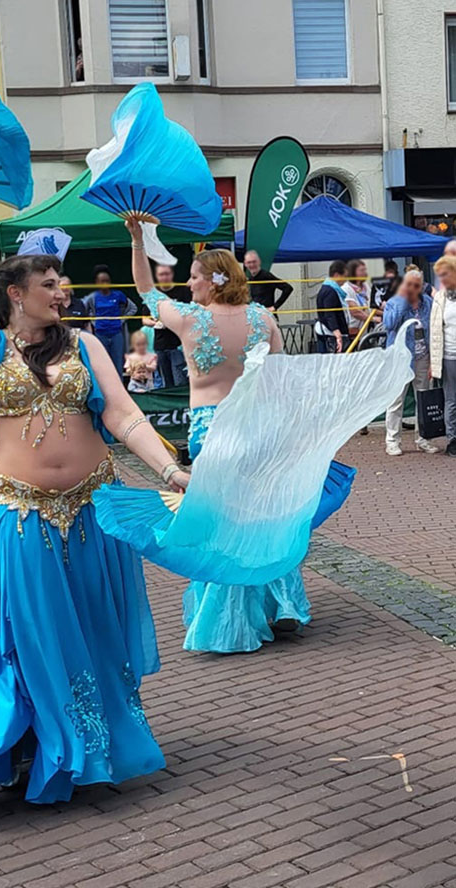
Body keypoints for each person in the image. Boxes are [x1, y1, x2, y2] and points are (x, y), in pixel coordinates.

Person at [0, 164, 189, 804]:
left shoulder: (86, 345)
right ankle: (27, 741)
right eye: (50, 284)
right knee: (27, 634)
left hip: (91, 514)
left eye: (62, 282)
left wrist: (171, 469)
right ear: (16, 293)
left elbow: (123, 415)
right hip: (20, 514)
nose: (63, 292)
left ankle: (89, 740)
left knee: (89, 629)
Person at [126, 226, 310, 653]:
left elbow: (145, 288)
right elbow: (279, 379)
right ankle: (282, 601)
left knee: (222, 521)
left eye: (194, 277)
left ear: (212, 281)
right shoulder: (262, 319)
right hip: (257, 426)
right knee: (263, 514)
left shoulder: (191, 319)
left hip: (211, 430)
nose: (189, 284)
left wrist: (137, 240)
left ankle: (230, 619)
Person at [383, 269, 437, 457]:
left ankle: (423, 439)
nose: (413, 288)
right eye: (409, 285)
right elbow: (389, 324)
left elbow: (434, 330)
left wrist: (432, 361)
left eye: (416, 285)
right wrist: (402, 301)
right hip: (401, 359)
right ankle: (392, 440)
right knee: (396, 400)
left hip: (422, 357)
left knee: (422, 399)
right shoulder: (394, 302)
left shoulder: (428, 303)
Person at [142, 263, 189, 387]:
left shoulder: (182, 291)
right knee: (166, 382)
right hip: (160, 344)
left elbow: (190, 313)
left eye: (167, 274)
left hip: (178, 345)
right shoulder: (153, 294)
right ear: (156, 276)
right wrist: (154, 323)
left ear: (172, 274)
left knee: (180, 381)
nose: (164, 277)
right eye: (161, 274)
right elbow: (144, 319)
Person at [83, 265, 135, 375]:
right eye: (102, 281)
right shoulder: (93, 297)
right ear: (97, 283)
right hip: (100, 334)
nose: (105, 284)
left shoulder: (118, 295)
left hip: (116, 334)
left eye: (107, 281)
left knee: (118, 364)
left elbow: (133, 308)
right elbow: (84, 311)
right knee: (102, 364)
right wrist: (94, 322)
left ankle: (119, 384)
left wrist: (121, 320)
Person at [430, 255, 456, 456]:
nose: (442, 279)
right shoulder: (439, 298)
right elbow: (435, 332)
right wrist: (433, 361)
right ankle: (453, 439)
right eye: (440, 275)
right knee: (451, 400)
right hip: (449, 356)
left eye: (445, 274)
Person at [315, 261, 350, 353]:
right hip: (331, 333)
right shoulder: (330, 291)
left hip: (329, 331)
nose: (345, 280)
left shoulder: (327, 288)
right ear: (337, 275)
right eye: (344, 276)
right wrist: (337, 332)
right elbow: (330, 313)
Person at [341, 259, 374, 340]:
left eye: (365, 270)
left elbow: (371, 305)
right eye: (361, 270)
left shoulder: (366, 286)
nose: (364, 273)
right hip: (353, 330)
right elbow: (354, 311)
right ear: (353, 272)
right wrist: (372, 319)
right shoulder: (346, 288)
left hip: (366, 329)